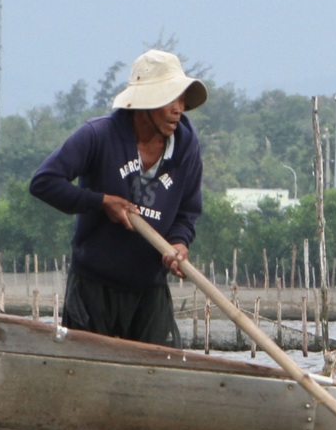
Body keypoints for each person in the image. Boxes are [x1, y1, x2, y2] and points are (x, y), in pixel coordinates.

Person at [29, 49, 206, 345]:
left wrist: (178, 243)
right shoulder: (98, 136)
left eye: (181, 99)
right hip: (94, 285)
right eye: (170, 99)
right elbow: (44, 182)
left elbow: (188, 212)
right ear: (146, 102)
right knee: (87, 376)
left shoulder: (186, 148)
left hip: (149, 289)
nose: (179, 109)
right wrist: (100, 202)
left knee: (155, 376)